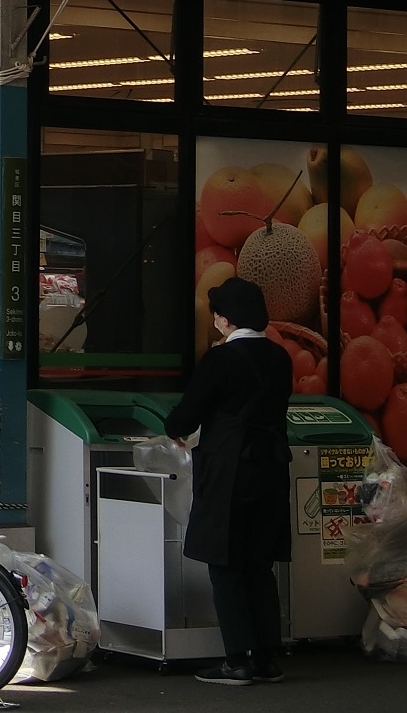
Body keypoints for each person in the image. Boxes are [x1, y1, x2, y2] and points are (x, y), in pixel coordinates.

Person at [165, 276, 292, 686]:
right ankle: (267, 658)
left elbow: (186, 416)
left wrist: (174, 428)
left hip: (230, 471)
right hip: (272, 469)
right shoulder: (281, 358)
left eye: (217, 314)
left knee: (225, 564)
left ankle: (237, 659)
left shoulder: (220, 360)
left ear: (225, 320)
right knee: (259, 564)